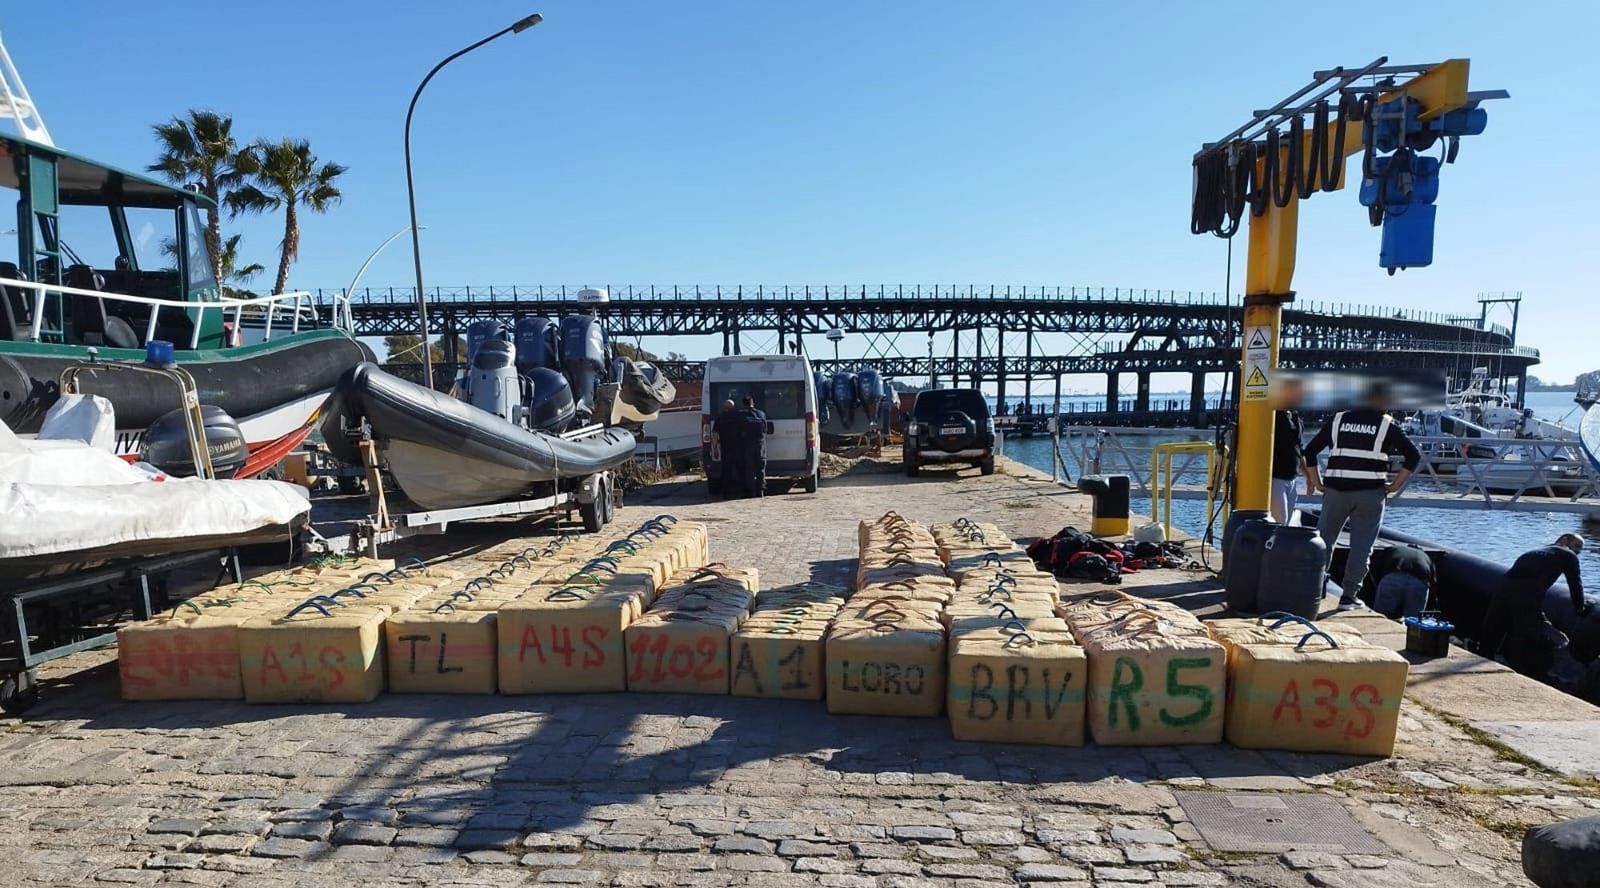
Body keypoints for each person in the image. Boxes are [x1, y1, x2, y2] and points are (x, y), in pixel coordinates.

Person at [1302, 381, 1421, 611]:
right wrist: (1395, 485)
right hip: (1370, 494)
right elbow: (1413, 456)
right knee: (1361, 546)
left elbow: (1309, 451)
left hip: (1336, 492)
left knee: (1325, 541)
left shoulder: (1338, 420)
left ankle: (1314, 589)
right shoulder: (1387, 425)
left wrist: (1316, 481)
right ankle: (1348, 596)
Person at [1480, 533, 1592, 678]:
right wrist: (1580, 607)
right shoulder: (1568, 555)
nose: (1577, 552)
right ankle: (1522, 671)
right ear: (1564, 540)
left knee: (1494, 627)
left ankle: (1484, 657)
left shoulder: (1533, 552)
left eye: (1580, 550)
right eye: (1576, 546)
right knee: (1525, 633)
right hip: (1528, 590)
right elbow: (1575, 583)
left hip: (1504, 587)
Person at [1270, 378, 1306, 524]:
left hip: (1291, 477)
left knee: (1287, 520)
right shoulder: (1273, 415)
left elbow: (1298, 447)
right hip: (1275, 477)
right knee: (1280, 520)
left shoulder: (1295, 415)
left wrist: (1308, 477)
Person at [1368, 543, 1435, 619]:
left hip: (1393, 576)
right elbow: (1433, 582)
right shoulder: (1426, 557)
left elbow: (1375, 567)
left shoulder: (1394, 548)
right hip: (1419, 582)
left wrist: (1377, 586)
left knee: (1382, 615)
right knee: (1413, 620)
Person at [710, 399, 742, 498]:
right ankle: (740, 491)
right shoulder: (739, 417)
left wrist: (714, 449)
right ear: (733, 407)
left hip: (726, 448)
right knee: (740, 469)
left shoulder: (720, 418)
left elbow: (715, 435)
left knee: (726, 471)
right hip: (739, 448)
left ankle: (726, 492)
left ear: (724, 407)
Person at [738, 395, 767, 497]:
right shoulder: (761, 414)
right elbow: (765, 430)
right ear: (752, 403)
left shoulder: (741, 415)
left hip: (747, 444)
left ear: (743, 404)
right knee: (761, 468)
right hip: (760, 444)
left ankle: (751, 491)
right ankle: (761, 490)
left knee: (749, 468)